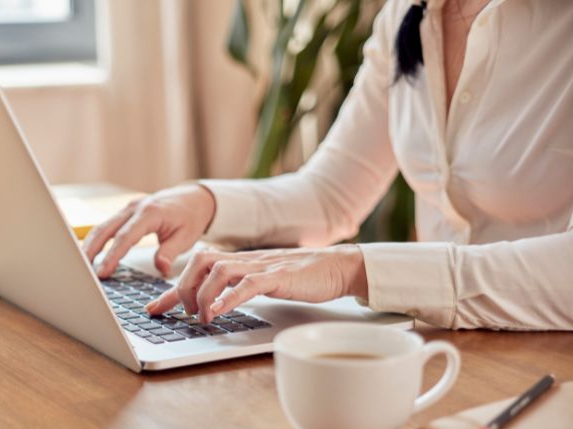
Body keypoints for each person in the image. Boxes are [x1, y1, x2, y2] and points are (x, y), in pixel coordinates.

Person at [84, 0, 573, 331]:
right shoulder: (410, 13)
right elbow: (331, 193)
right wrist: (204, 203)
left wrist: (353, 270)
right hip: (444, 351)